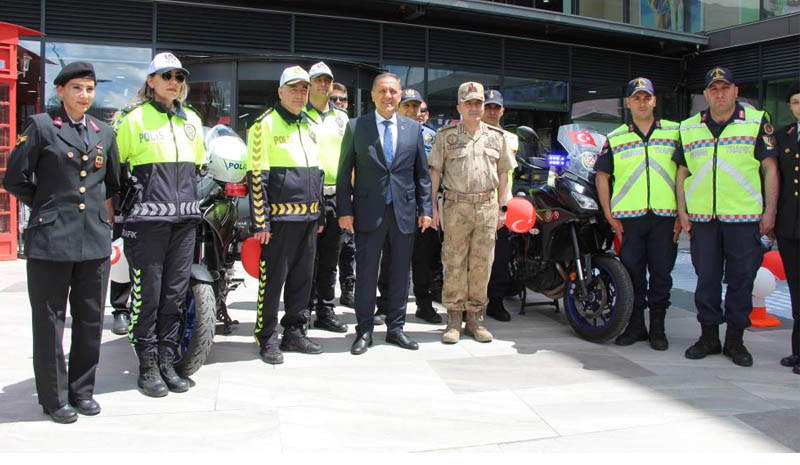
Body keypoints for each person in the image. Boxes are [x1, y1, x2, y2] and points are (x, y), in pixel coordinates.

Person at [4, 62, 120, 423]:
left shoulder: (105, 132)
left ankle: (82, 391)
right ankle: (53, 398)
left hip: (93, 241)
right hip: (51, 239)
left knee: (89, 321)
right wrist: (46, 204)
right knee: (50, 321)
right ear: (60, 91)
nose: (84, 95)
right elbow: (14, 178)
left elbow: (114, 182)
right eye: (77, 88)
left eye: (89, 89)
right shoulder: (41, 126)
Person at [114, 52, 205, 397]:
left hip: (184, 223)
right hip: (147, 224)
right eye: (165, 75)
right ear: (150, 80)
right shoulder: (132, 119)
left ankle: (167, 360)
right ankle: (147, 365)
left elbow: (200, 167)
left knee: (175, 295)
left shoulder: (193, 121)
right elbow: (114, 170)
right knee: (148, 296)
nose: (173, 82)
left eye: (179, 76)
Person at [676, 67, 779, 367]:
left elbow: (769, 168)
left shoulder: (757, 122)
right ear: (706, 94)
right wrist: (682, 212)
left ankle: (735, 340)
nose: (719, 94)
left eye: (725, 88)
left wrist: (769, 211)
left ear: (735, 91)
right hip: (703, 220)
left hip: (744, 218)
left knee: (741, 280)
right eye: (713, 89)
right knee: (705, 279)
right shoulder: (689, 127)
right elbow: (682, 172)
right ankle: (708, 336)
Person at [336, 73, 433, 355]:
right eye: (382, 91)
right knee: (366, 273)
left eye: (393, 91)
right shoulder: (357, 127)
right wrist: (345, 211)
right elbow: (344, 175)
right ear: (373, 96)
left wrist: (426, 209)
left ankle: (396, 328)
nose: (388, 96)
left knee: (401, 274)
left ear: (399, 95)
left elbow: (422, 176)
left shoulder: (413, 130)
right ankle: (364, 330)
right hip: (367, 212)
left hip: (403, 212)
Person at [246, 66, 325, 365]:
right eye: (293, 88)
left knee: (302, 279)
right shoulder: (263, 125)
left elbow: (316, 174)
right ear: (280, 91)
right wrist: (261, 220)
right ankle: (266, 336)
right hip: (278, 221)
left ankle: (295, 331)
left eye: (304, 89)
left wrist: (319, 216)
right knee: (273, 280)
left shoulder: (310, 125)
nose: (299, 94)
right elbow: (257, 176)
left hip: (308, 217)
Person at [595, 77, 681, 351]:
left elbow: (685, 174)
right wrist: (608, 213)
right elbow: (602, 176)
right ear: (628, 102)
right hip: (628, 220)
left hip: (665, 218)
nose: (642, 102)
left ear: (654, 100)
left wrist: (683, 213)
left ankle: (658, 328)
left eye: (647, 97)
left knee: (661, 276)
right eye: (637, 98)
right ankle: (635, 327)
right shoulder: (616, 137)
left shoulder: (675, 132)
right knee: (632, 275)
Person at [430, 82, 516, 344]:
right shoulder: (446, 136)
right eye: (469, 103)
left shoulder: (497, 137)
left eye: (478, 103)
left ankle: (476, 319)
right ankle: (454, 319)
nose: (475, 108)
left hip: (486, 208)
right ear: (459, 107)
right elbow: (435, 172)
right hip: (455, 207)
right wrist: (432, 207)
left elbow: (504, 173)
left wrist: (503, 207)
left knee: (482, 264)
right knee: (454, 263)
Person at [375, 88, 441, 324]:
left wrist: (430, 207)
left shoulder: (432, 137)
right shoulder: (386, 132)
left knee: (422, 261)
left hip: (420, 207)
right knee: (390, 260)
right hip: (394, 206)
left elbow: (434, 174)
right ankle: (384, 306)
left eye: (416, 106)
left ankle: (424, 304)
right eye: (407, 106)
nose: (412, 111)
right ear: (399, 107)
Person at [304, 63, 349, 334]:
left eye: (327, 81)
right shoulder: (298, 115)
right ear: (309, 84)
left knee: (331, 258)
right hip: (308, 196)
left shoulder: (342, 118)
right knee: (306, 259)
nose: (323, 85)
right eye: (318, 80)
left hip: (336, 195)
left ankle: (325, 311)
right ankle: (303, 310)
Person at [482, 89, 519, 322]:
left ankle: (495, 302)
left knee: (501, 257)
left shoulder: (511, 139)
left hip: (503, 205)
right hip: (476, 204)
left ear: (503, 110)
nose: (493, 111)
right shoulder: (473, 134)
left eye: (497, 107)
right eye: (489, 107)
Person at [775, 80, 800, 375]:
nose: (798, 107)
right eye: (794, 102)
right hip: (790, 227)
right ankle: (797, 350)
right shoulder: (784, 136)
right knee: (796, 290)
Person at [331, 82, 357, 308]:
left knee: (349, 249)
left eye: (343, 100)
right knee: (328, 252)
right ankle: (322, 299)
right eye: (334, 99)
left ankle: (348, 289)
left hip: (349, 196)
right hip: (327, 196)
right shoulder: (322, 123)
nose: (339, 103)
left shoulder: (352, 125)